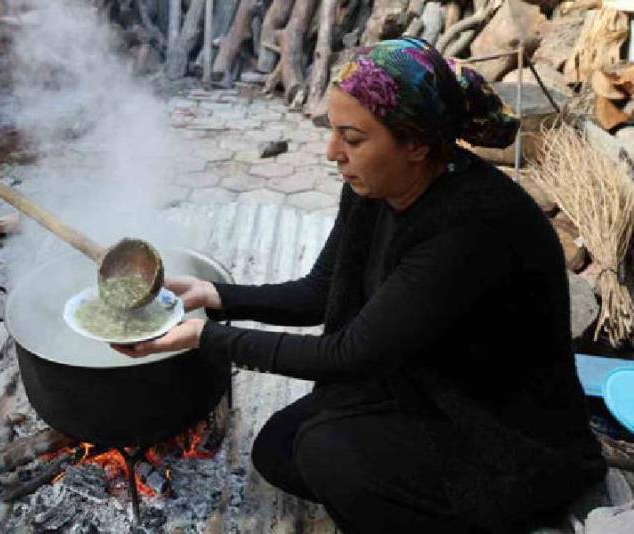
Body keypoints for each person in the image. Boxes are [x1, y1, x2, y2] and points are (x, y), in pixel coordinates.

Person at [115, 38, 606, 533]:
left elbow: (348, 354)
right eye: (334, 132)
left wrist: (205, 338)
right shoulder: (376, 188)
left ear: (415, 144)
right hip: (422, 380)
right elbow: (320, 291)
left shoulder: (472, 227)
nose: (333, 153)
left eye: (351, 138)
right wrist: (215, 296)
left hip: (500, 429)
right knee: (278, 451)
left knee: (326, 454)